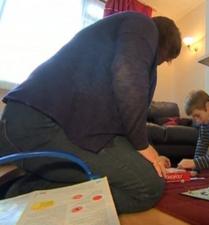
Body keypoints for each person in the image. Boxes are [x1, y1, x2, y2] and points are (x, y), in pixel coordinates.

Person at [0, 12, 180, 213]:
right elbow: (128, 77)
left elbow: (122, 124)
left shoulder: (111, 49)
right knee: (147, 187)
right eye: (163, 60)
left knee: (145, 172)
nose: (158, 64)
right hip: (36, 124)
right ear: (164, 46)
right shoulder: (142, 24)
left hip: (45, 125)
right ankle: (22, 192)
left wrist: (150, 154)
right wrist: (142, 145)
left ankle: (39, 181)